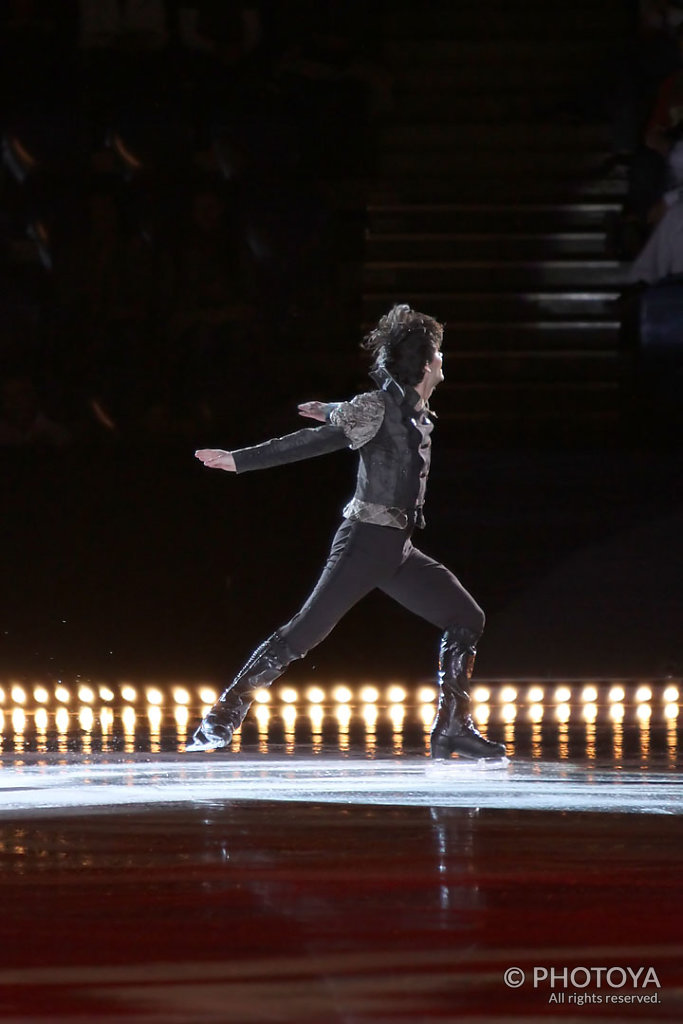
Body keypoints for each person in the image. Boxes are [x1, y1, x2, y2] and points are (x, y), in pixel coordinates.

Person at [187, 304, 506, 761]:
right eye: (438, 354)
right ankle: (221, 717)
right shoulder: (378, 406)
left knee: (466, 618)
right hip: (364, 542)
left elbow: (373, 414)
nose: (442, 362)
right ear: (424, 362)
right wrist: (239, 459)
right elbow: (310, 442)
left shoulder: (411, 409)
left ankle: (452, 727)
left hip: (397, 549)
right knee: (303, 634)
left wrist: (336, 409)